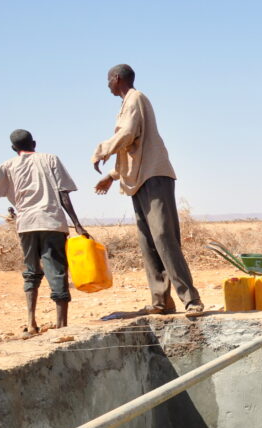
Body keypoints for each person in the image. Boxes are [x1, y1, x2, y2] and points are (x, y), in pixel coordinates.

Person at [91, 63, 203, 316]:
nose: (107, 85)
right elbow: (132, 149)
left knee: (164, 237)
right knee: (148, 241)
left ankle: (191, 299)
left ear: (116, 78)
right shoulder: (126, 104)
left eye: (108, 80)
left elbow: (128, 134)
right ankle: (160, 301)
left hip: (154, 176)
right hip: (139, 180)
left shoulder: (136, 98)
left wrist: (101, 150)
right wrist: (112, 176)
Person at [0, 130, 89, 335]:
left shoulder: (7, 166)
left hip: (26, 225)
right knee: (57, 271)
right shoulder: (51, 159)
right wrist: (77, 224)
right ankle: (61, 326)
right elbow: (63, 194)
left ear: (13, 148)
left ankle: (31, 323)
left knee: (31, 272)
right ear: (34, 143)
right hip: (52, 222)